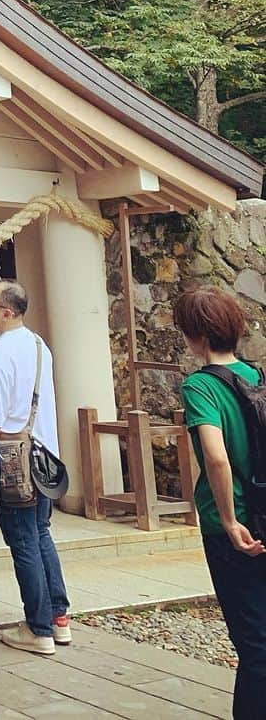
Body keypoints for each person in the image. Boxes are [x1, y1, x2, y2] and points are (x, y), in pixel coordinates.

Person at [174, 285, 265, 720]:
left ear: (198, 336)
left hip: (234, 527)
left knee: (253, 643)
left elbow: (215, 456)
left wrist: (230, 520)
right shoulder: (257, 377)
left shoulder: (200, 386)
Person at [0, 279, 71, 655]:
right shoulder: (38, 345)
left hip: (15, 457)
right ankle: (58, 617)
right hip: (45, 453)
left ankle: (38, 628)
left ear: (6, 311)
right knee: (41, 533)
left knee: (23, 541)